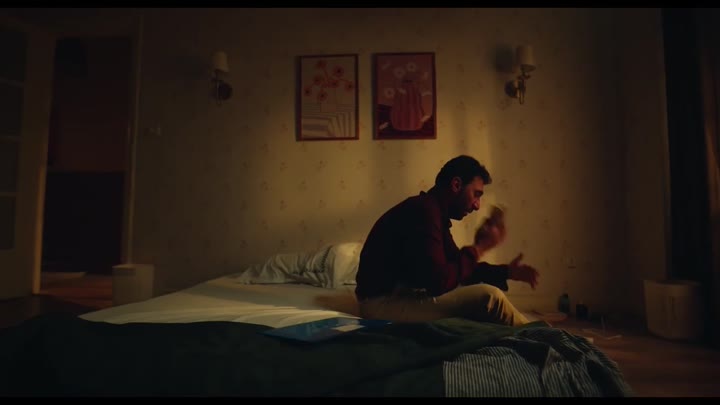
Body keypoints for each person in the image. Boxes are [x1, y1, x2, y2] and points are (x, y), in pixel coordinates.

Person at [354, 155, 539, 326]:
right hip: (382, 306)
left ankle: (532, 332)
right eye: (476, 194)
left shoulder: (433, 212)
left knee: (482, 294)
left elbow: (458, 268)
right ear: (456, 185)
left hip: (397, 299)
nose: (477, 205)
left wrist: (508, 272)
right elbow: (439, 282)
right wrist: (479, 248)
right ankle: (538, 334)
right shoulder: (424, 211)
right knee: (491, 297)